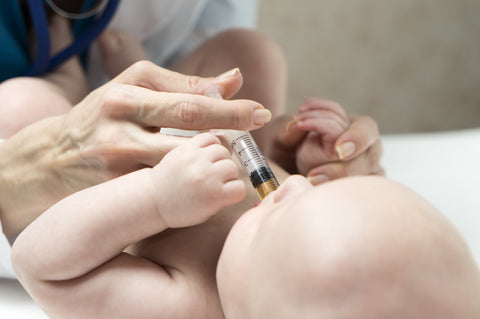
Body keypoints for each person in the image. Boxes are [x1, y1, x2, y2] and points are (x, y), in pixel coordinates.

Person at [10, 129, 480, 318]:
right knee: (252, 53)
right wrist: (307, 157)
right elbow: (257, 151)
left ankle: (67, 67)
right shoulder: (283, 247)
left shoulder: (186, 305)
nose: (292, 187)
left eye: (278, 215)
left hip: (77, 172)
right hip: (169, 120)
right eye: (324, 191)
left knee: (22, 103)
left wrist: (155, 199)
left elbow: (38, 262)